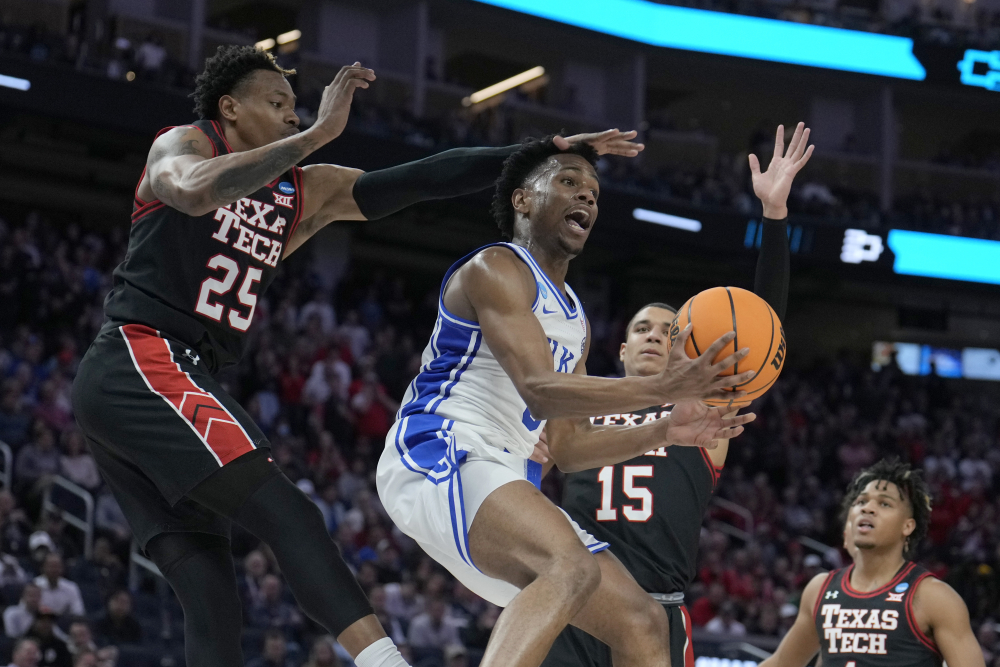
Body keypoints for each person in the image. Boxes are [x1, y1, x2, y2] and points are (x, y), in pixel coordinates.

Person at [71, 43, 641, 667]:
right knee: (290, 514)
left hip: (170, 378)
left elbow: (420, 179)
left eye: (296, 109)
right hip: (141, 357)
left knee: (211, 600)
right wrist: (314, 137)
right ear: (229, 108)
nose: (293, 115)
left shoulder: (303, 193)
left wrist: (539, 155)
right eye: (278, 103)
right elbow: (191, 193)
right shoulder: (186, 144)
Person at [377, 135, 758, 667]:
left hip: (503, 469)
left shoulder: (575, 318)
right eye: (569, 182)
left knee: (642, 622)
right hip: (442, 444)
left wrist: (662, 431)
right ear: (523, 200)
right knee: (570, 568)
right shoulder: (497, 267)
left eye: (595, 193)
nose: (587, 197)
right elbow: (540, 389)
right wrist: (662, 390)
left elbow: (571, 448)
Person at [539, 122, 811, 667]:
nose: (653, 337)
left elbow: (764, 334)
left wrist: (775, 218)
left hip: (654, 608)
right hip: (573, 602)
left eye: (668, 331)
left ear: (687, 349)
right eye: (641, 328)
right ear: (620, 348)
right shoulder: (581, 402)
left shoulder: (703, 412)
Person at [760, 459, 984, 667]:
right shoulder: (820, 589)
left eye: (885, 504)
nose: (867, 508)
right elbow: (781, 663)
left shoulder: (933, 597)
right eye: (861, 501)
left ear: (907, 526)